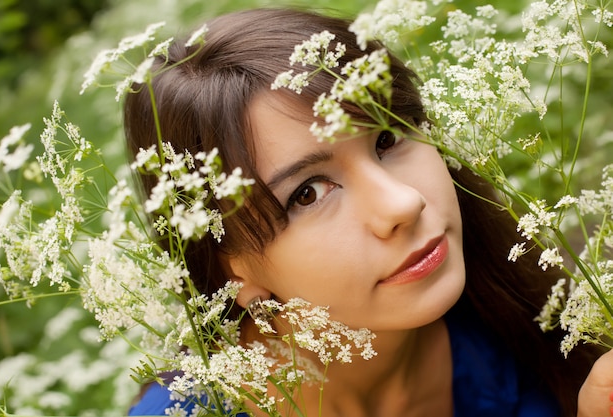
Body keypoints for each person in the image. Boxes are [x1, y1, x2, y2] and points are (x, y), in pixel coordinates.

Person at [123, 8, 611, 417]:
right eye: (308, 193)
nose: (403, 203)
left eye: (387, 138)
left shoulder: (528, 322)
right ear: (234, 267)